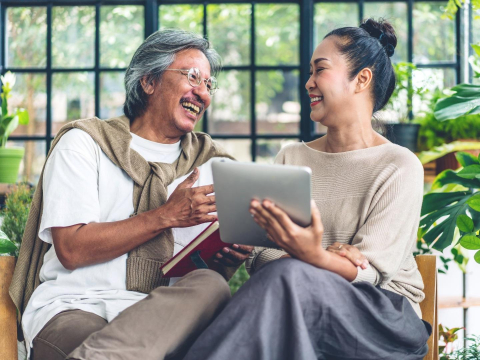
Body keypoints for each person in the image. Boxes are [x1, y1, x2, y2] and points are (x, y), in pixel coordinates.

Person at [183, 19, 432, 360]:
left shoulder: (398, 165)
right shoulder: (292, 155)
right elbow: (262, 255)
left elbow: (369, 272)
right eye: (310, 72)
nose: (308, 83)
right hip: (298, 298)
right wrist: (313, 257)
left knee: (290, 275)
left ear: (362, 79)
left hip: (382, 317)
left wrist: (308, 255)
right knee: (289, 277)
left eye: (320, 70)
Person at [9, 29, 253, 360]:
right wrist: (165, 215)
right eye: (193, 77)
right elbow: (71, 249)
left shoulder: (213, 164)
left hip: (163, 319)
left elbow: (196, 269)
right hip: (76, 309)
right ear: (148, 81)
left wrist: (222, 260)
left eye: (209, 85)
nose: (203, 94)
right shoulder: (85, 144)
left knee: (211, 286)